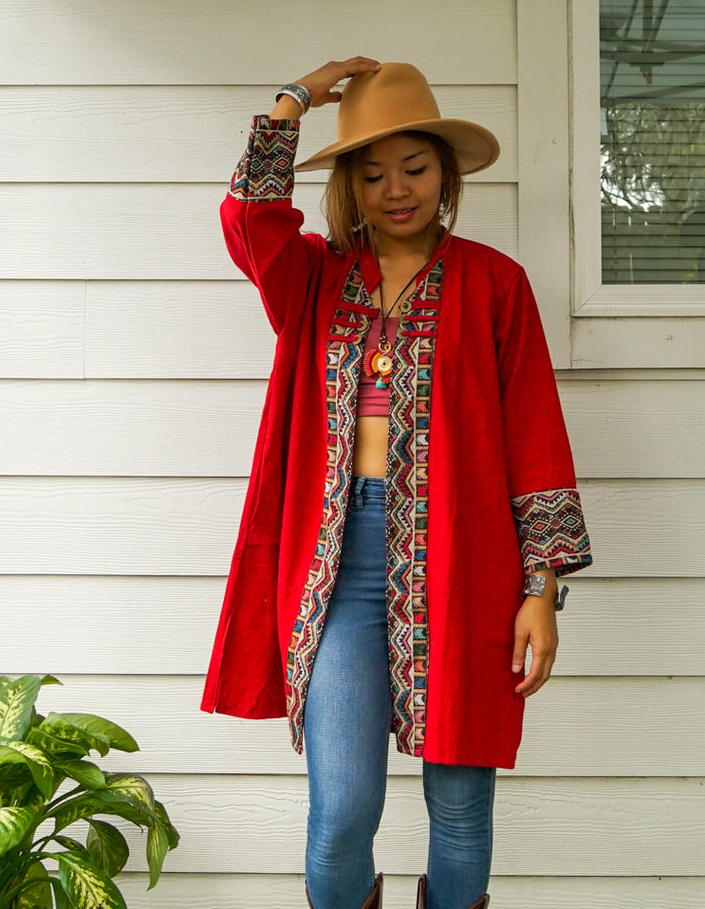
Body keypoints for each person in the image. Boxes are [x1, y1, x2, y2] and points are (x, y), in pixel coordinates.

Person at [201, 58, 593, 909]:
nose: (395, 190)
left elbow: (534, 437)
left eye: (414, 168)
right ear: (348, 186)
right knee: (341, 812)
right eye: (371, 174)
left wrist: (540, 587)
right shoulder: (312, 279)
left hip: (468, 562)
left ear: (445, 174)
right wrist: (296, 97)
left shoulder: (496, 284)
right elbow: (247, 216)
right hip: (339, 569)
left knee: (459, 807)